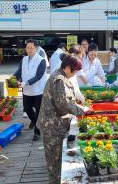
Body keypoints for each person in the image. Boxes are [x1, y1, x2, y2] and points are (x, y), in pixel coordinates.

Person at [37, 55, 89, 184]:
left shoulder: (61, 75)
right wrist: (83, 110)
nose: (75, 74)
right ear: (67, 67)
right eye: (75, 71)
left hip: (55, 123)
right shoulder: (59, 79)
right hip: (52, 126)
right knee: (54, 161)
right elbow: (63, 103)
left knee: (57, 158)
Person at [13, 39, 47, 141]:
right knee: (27, 109)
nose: (29, 50)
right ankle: (34, 121)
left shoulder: (41, 60)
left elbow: (39, 76)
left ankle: (37, 132)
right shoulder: (23, 59)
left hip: (38, 91)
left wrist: (26, 82)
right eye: (27, 47)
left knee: (38, 112)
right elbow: (20, 71)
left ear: (36, 48)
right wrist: (14, 77)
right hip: (26, 90)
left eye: (31, 48)